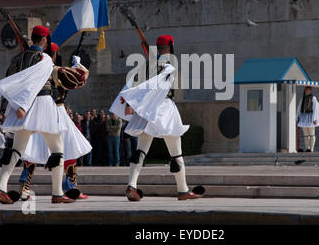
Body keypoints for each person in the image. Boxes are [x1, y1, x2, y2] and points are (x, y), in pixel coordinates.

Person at [110, 34, 204, 201]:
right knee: (176, 154)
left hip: (146, 111)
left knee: (140, 150)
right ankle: (183, 190)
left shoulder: (147, 66)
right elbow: (154, 87)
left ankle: (131, 185)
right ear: (171, 46)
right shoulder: (169, 66)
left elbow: (134, 85)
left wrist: (133, 104)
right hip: (164, 110)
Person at [0, 25, 75, 204]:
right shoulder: (45, 59)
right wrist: (23, 104)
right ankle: (57, 192)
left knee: (17, 149)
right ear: (44, 40)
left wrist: (11, 106)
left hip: (22, 108)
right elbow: (34, 84)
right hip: (42, 105)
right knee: (57, 148)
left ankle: (1, 185)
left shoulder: (17, 58)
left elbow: (9, 83)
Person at [19, 43, 91, 200]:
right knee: (68, 148)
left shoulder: (33, 70)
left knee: (34, 149)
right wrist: (78, 65)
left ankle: (25, 186)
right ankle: (69, 187)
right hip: (55, 111)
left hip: (40, 110)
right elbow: (81, 77)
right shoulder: (54, 70)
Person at [296, 86, 319, 153]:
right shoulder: (302, 98)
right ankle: (307, 148)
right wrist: (297, 117)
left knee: (312, 134)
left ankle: (311, 149)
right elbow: (299, 108)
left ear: (310, 90)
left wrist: (315, 118)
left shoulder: (313, 98)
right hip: (304, 118)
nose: (307, 90)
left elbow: (315, 108)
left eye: (308, 89)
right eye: (306, 89)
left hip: (311, 117)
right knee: (306, 135)